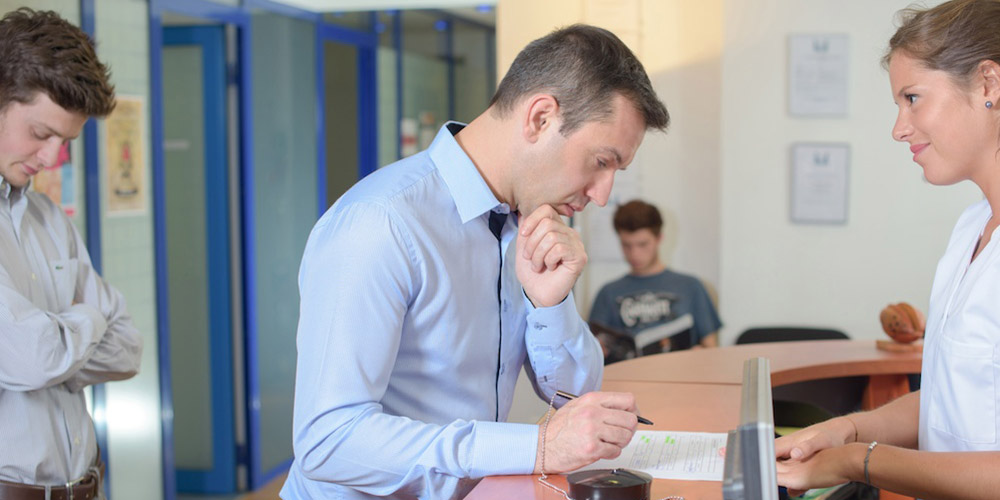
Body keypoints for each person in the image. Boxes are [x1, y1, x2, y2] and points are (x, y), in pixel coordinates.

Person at [281, 24, 669, 499]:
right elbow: (329, 441)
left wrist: (551, 304)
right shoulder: (378, 225)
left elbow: (573, 395)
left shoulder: (525, 222)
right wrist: (537, 447)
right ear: (540, 118)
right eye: (601, 162)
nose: (602, 196)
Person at [775, 1, 1000, 498]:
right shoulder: (971, 229)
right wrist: (850, 430)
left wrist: (859, 461)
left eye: (913, 98)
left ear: (989, 84)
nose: (899, 128)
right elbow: (949, 402)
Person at [0, 7, 142, 500]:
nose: (51, 159)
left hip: (86, 485)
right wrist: (86, 319)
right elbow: (33, 359)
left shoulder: (47, 217)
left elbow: (127, 348)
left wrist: (56, 339)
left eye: (67, 142)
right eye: (41, 134)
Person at [589, 200, 720, 362]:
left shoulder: (691, 286)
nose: (634, 254)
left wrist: (701, 354)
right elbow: (592, 351)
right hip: (626, 381)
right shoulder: (607, 293)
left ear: (659, 238)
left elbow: (712, 349)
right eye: (626, 245)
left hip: (680, 380)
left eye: (642, 244)